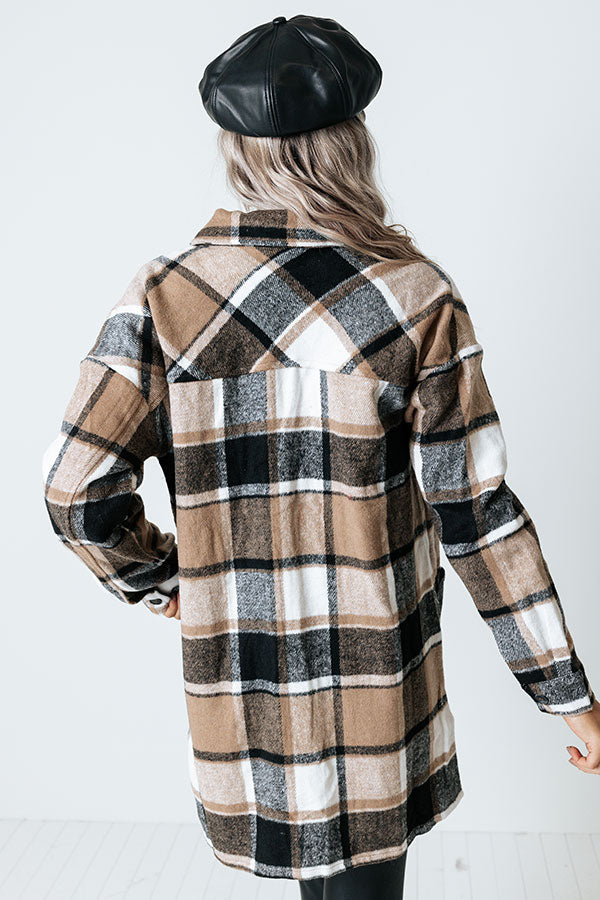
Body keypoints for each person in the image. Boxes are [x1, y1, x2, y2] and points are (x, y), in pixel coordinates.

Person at [41, 13, 599, 900]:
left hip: (246, 689)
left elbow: (75, 490)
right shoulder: (414, 297)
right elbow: (477, 515)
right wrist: (566, 692)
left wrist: (166, 581)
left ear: (237, 149)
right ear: (353, 144)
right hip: (380, 685)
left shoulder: (164, 297)